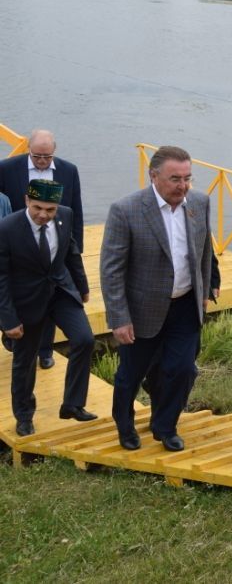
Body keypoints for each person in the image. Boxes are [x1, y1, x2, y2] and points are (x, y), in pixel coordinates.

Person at [100, 146, 213, 452]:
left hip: (186, 305)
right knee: (131, 374)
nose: (183, 185)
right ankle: (124, 425)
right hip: (142, 310)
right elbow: (111, 269)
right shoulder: (126, 210)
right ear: (154, 176)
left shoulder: (200, 202)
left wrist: (206, 289)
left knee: (184, 369)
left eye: (188, 178)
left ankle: (165, 426)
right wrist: (118, 318)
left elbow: (205, 250)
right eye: (175, 178)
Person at [0, 179, 97, 436]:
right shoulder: (6, 228)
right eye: (38, 208)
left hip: (61, 291)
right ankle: (24, 415)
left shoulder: (65, 216)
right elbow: (1, 278)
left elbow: (71, 252)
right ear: (26, 201)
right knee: (25, 360)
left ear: (58, 207)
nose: (44, 215)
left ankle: (73, 404)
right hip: (27, 300)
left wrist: (83, 287)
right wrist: (8, 319)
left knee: (85, 339)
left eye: (50, 210)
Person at [0, 129, 84, 370]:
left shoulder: (69, 170)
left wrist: (75, 248)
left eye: (47, 157)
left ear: (54, 152)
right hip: (19, 246)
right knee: (21, 295)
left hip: (55, 244)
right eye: (37, 156)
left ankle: (46, 350)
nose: (42, 161)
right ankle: (11, 331)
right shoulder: (7, 168)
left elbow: (74, 211)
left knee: (49, 296)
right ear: (28, 149)